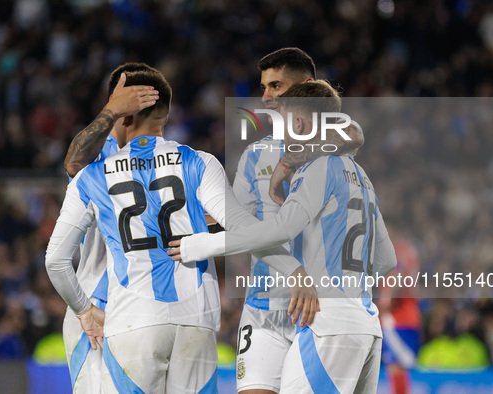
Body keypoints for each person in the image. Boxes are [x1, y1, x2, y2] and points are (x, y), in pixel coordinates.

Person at [46, 66, 317, 392]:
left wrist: (83, 311)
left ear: (122, 113)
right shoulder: (198, 162)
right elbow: (245, 229)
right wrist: (293, 269)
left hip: (125, 316)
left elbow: (56, 257)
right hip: (195, 316)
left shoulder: (94, 171)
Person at [169, 81, 397, 393]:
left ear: (299, 123)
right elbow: (387, 259)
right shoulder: (361, 175)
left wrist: (204, 243)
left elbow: (279, 230)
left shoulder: (320, 167)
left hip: (328, 325)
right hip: (367, 325)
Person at [232, 47, 364, 394]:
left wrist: (287, 164)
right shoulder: (254, 154)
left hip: (318, 307)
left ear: (305, 87)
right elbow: (240, 225)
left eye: (276, 86)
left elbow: (354, 132)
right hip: (264, 306)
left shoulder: (338, 145)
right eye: (264, 87)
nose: (266, 96)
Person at [60, 62, 160, 393]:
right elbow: (73, 163)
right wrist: (112, 110)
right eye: (137, 96)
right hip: (94, 309)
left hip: (142, 309)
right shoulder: (102, 154)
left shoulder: (160, 158)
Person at [377, 223, 421, 394]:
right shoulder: (409, 250)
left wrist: (386, 303)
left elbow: (396, 279)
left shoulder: (396, 251)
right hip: (410, 314)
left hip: (396, 317)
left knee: (396, 366)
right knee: (402, 366)